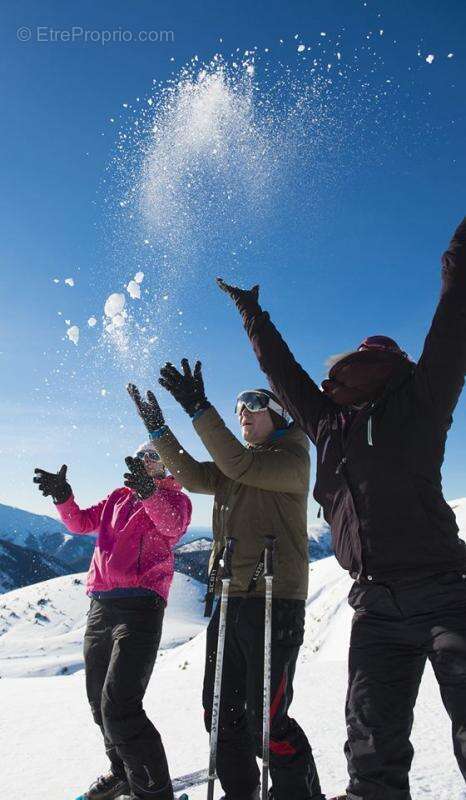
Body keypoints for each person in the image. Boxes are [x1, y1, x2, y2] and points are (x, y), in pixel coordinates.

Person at [216, 215, 466, 800]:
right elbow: (284, 375)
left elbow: (453, 322)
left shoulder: (416, 405)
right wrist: (253, 315)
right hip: (377, 604)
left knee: (376, 753)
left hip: (440, 594)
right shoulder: (332, 423)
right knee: (371, 749)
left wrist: (458, 250)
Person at [128, 371, 325, 800]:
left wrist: (200, 409)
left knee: (266, 721)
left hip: (275, 600)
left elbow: (237, 463)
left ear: (277, 414)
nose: (243, 415)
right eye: (238, 410)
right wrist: (158, 431)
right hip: (232, 596)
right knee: (220, 714)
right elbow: (195, 476)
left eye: (253, 406)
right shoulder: (239, 462)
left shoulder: (290, 458)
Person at [33, 441, 192, 800]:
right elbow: (80, 523)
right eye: (141, 455)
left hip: (141, 607)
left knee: (120, 705)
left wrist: (149, 492)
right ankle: (122, 772)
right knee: (98, 701)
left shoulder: (175, 500)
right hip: (101, 605)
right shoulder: (119, 496)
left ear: (165, 467)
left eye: (153, 456)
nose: (145, 460)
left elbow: (172, 527)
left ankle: (154, 792)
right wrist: (63, 497)